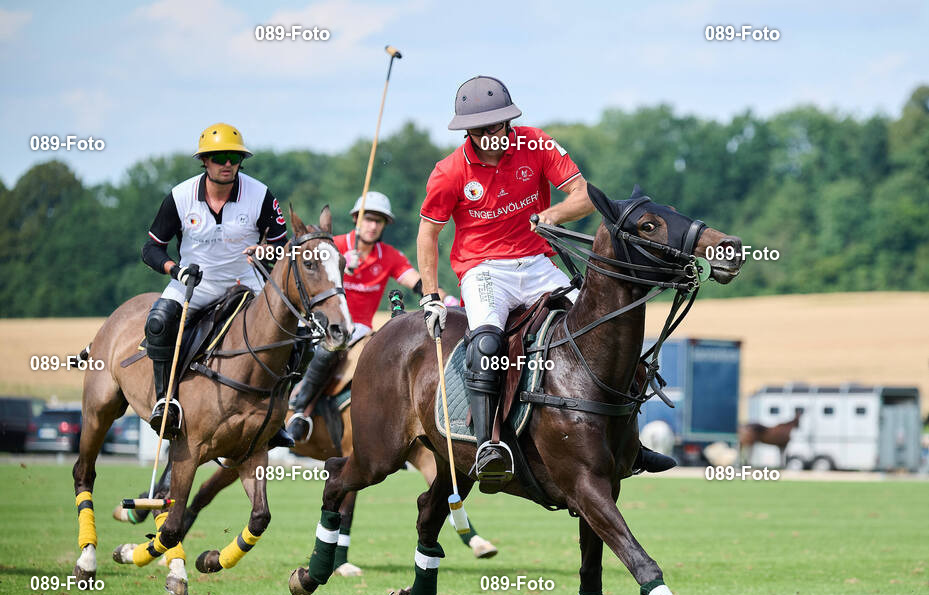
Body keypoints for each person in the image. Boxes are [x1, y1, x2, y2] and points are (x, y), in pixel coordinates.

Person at [416, 76, 673, 493]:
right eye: (479, 131)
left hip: (537, 263)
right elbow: (428, 233)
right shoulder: (449, 172)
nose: (490, 137)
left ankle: (631, 443)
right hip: (483, 271)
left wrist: (553, 216)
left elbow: (584, 193)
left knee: (604, 326)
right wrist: (431, 295)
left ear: (509, 122)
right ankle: (488, 445)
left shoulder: (535, 145)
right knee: (486, 344)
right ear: (467, 131)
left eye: (496, 127)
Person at [141, 122, 293, 447]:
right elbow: (151, 248)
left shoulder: (261, 195)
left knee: (292, 334)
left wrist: (265, 249)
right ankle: (165, 402)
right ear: (205, 161)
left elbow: (284, 244)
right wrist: (175, 270)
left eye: (234, 158)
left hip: (247, 286)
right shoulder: (180, 197)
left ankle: (277, 415)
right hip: (195, 284)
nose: (227, 164)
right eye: (219, 157)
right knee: (157, 322)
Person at [285, 191, 451, 441]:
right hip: (326, 324)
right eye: (368, 219)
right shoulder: (334, 246)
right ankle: (300, 410)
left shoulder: (390, 256)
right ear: (356, 219)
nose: (372, 226)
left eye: (379, 221)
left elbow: (417, 283)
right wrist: (340, 264)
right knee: (328, 349)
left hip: (361, 329)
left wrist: (443, 299)